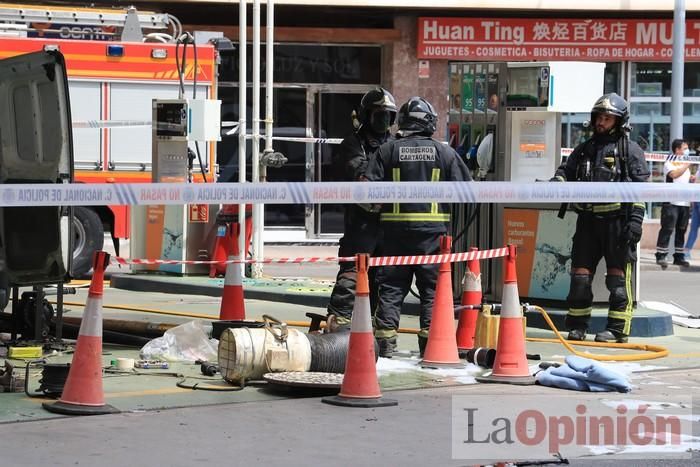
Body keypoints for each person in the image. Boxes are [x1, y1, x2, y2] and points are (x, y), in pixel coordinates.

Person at [364, 96, 472, 357]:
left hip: (392, 235)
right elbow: (466, 190)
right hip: (432, 236)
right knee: (432, 291)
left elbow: (366, 190)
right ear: (430, 123)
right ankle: (430, 345)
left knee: (390, 288)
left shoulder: (387, 151)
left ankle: (386, 346)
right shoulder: (444, 152)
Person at [550, 93, 650, 344]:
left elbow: (641, 190)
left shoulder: (631, 151)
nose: (601, 123)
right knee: (580, 278)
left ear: (619, 121)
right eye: (599, 117)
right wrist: (557, 182)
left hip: (618, 223)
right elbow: (566, 171)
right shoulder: (584, 149)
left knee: (617, 281)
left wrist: (636, 221)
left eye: (607, 118)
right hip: (587, 222)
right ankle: (577, 326)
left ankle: (617, 330)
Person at [325, 87, 397, 332]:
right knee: (351, 275)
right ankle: (338, 330)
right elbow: (360, 176)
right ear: (367, 116)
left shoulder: (395, 145)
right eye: (379, 116)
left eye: (388, 117)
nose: (384, 121)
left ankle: (378, 337)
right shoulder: (353, 144)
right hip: (361, 223)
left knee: (383, 279)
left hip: (389, 223)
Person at [655, 139, 692, 269]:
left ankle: (679, 257)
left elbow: (687, 180)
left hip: (685, 203)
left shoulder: (685, 164)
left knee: (681, 230)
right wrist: (687, 165)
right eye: (685, 148)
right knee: (667, 229)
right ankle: (661, 255)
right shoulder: (669, 162)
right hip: (671, 202)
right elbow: (674, 175)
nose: (688, 150)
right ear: (677, 150)